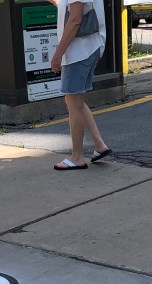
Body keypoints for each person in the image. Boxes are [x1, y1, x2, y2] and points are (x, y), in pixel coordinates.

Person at [49, 0, 112, 171]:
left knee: (73, 100)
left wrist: (58, 54)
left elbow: (75, 19)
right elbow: (72, 7)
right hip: (85, 48)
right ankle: (100, 146)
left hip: (79, 51)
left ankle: (77, 157)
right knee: (75, 101)